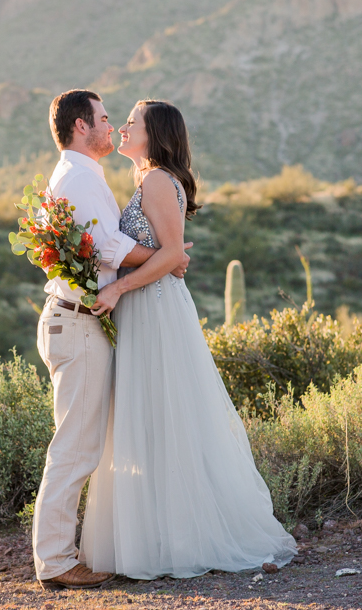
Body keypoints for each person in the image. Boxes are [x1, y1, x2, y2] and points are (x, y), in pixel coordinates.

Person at [82, 99, 298, 580]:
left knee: (166, 417)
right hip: (148, 306)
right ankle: (161, 534)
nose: (121, 127)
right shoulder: (147, 180)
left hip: (154, 309)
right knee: (152, 420)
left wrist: (118, 286)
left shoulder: (158, 180)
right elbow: (167, 253)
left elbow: (171, 255)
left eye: (132, 123)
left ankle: (181, 538)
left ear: (153, 134)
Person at [31, 90, 192, 590]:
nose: (113, 127)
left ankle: (66, 552)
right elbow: (109, 248)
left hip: (81, 320)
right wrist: (170, 255)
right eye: (105, 119)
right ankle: (55, 562)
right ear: (83, 126)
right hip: (78, 324)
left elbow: (105, 245)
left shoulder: (86, 175)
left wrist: (163, 254)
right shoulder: (79, 176)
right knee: (76, 449)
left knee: (81, 445)